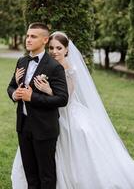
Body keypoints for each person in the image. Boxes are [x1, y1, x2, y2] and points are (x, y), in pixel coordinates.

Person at [11, 31, 134, 189]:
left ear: (66, 50)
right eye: (52, 48)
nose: (55, 51)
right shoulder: (45, 64)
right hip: (42, 114)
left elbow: (65, 99)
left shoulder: (69, 68)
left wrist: (48, 90)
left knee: (77, 134)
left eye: (59, 48)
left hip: (66, 113)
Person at [7, 24, 68, 189]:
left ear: (45, 40)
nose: (28, 39)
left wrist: (31, 97)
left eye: (33, 36)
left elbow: (62, 99)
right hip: (24, 125)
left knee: (46, 176)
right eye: (27, 35)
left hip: (44, 127)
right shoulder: (22, 61)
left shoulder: (54, 67)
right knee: (30, 175)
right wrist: (15, 94)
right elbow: (11, 86)